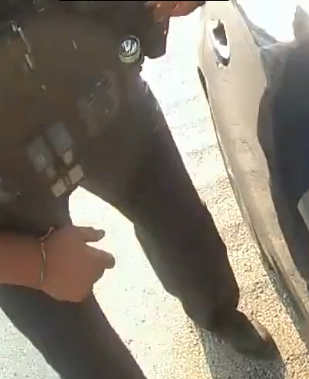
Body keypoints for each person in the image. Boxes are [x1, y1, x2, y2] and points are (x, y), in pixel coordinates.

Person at [0, 1, 276, 378]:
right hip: (9, 211)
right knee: (90, 361)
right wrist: (38, 266)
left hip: (108, 104)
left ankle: (217, 314)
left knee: (189, 239)